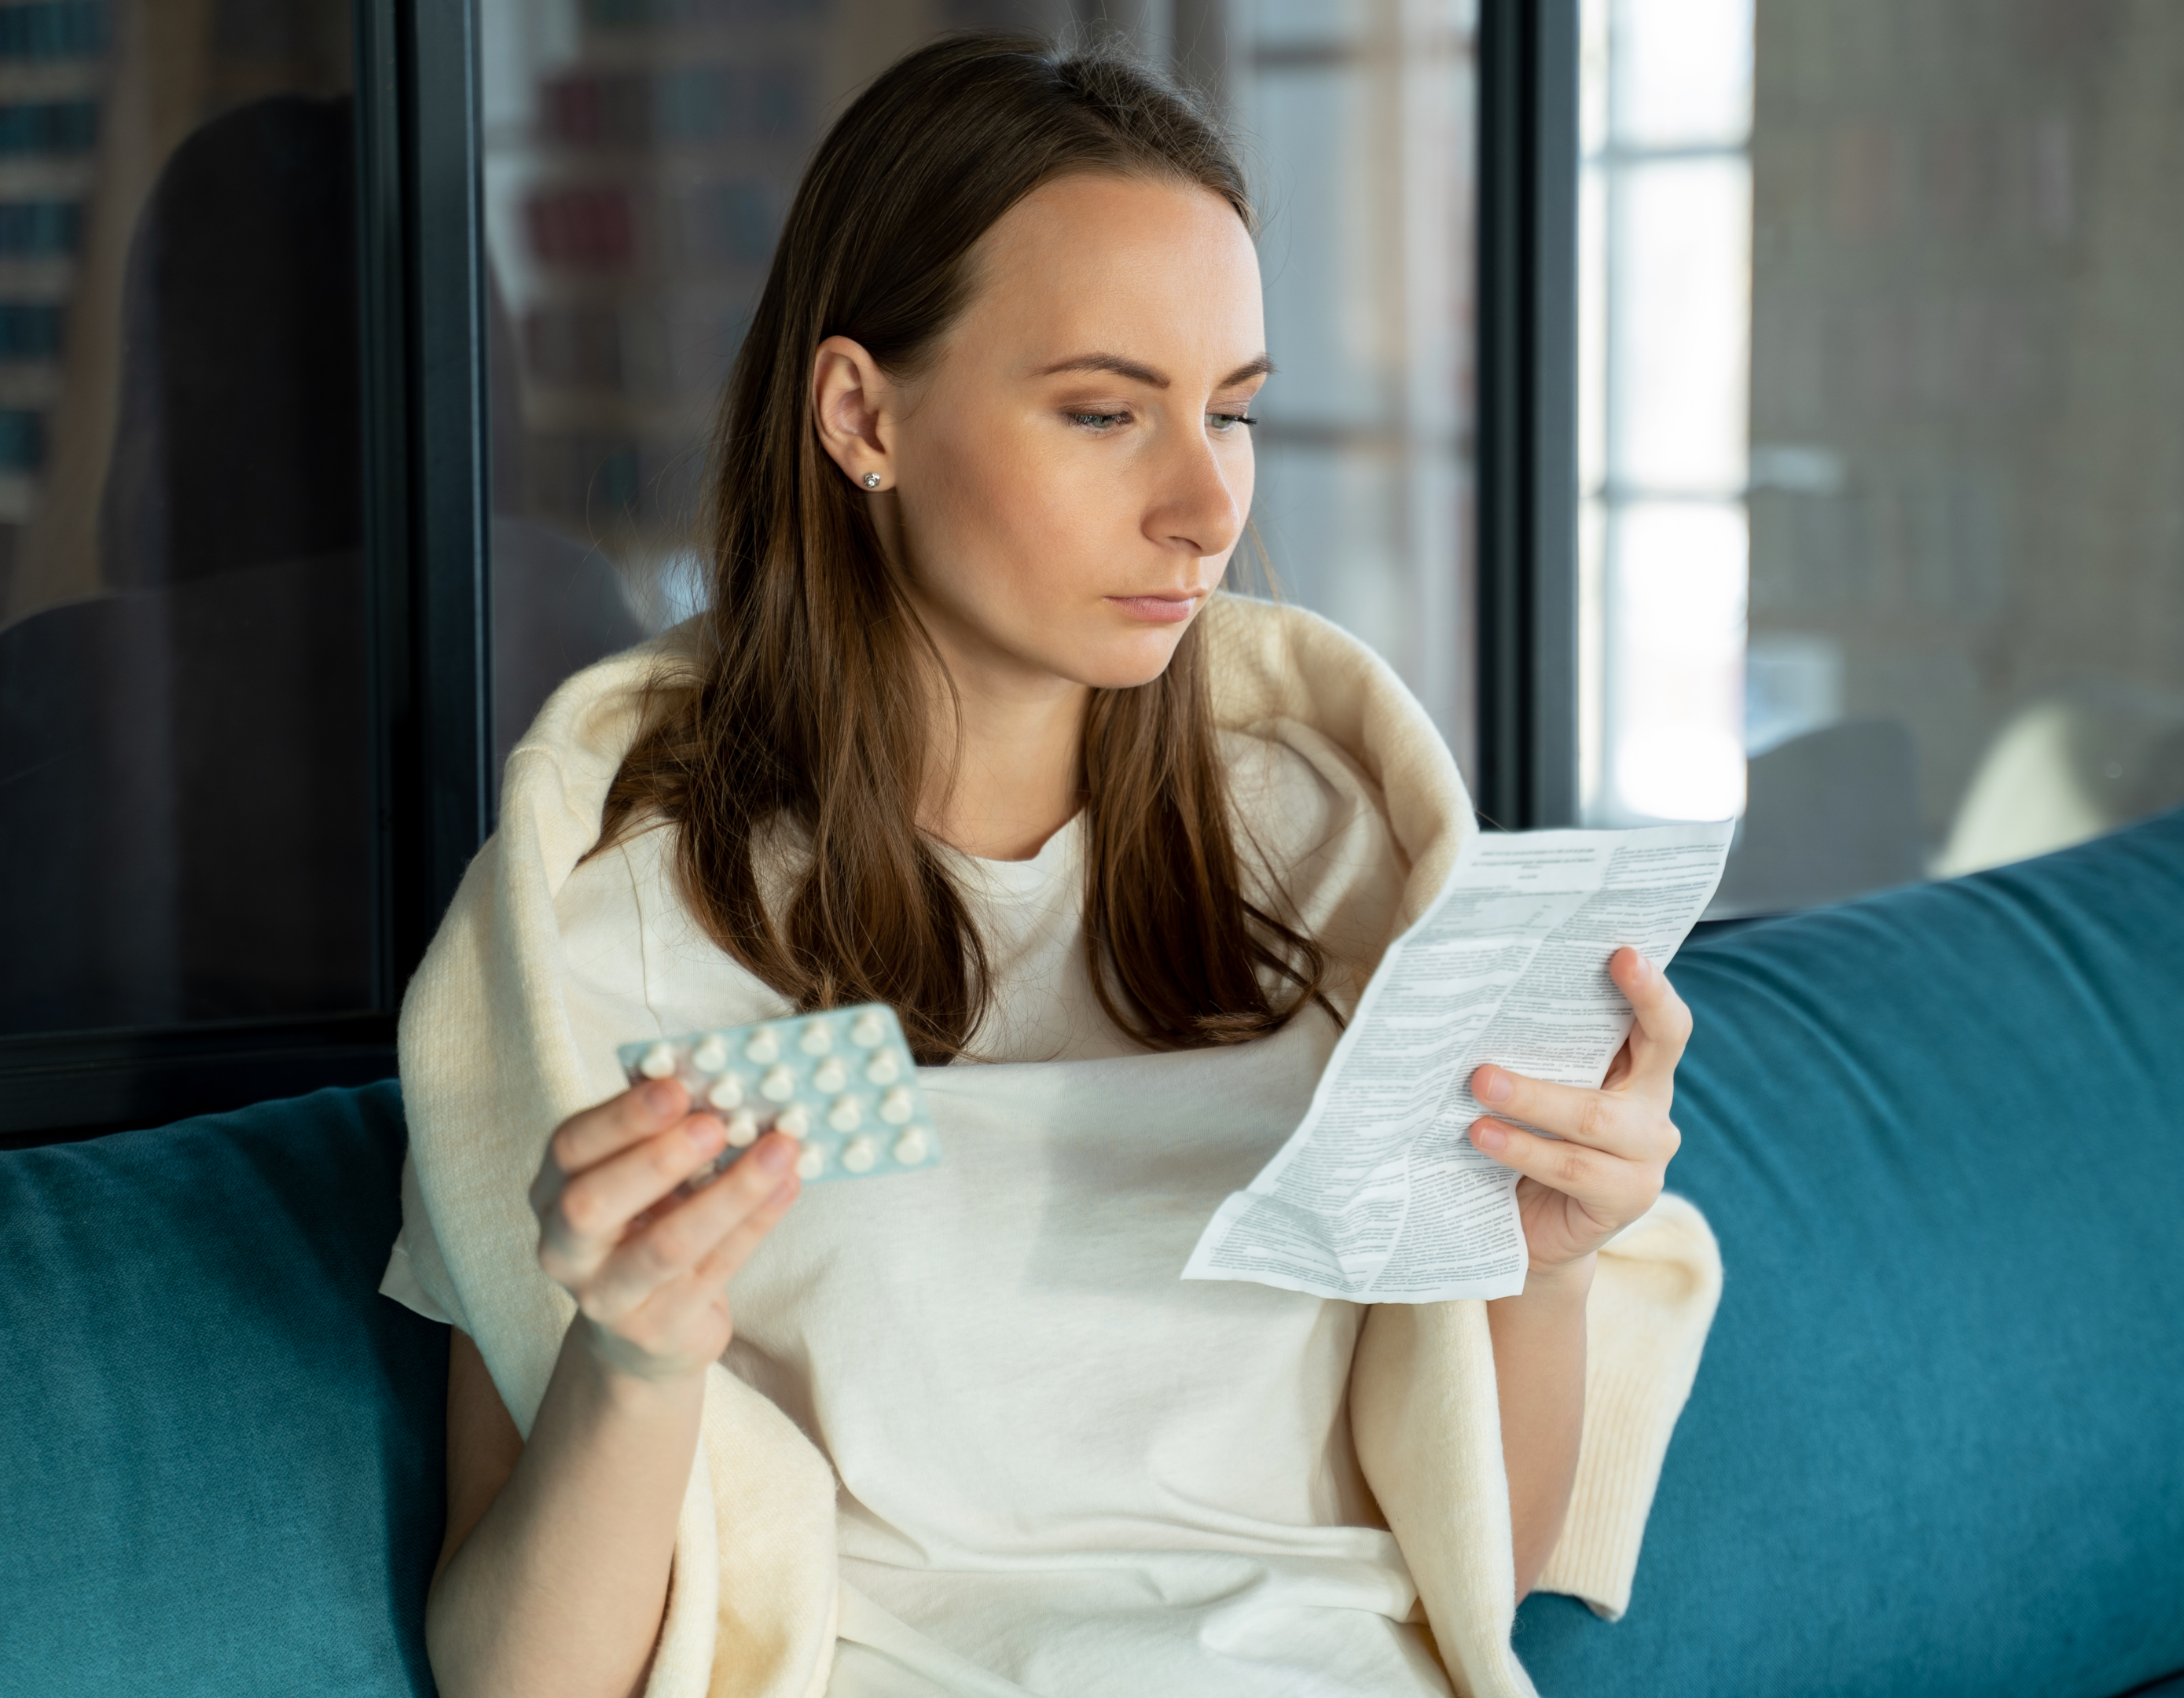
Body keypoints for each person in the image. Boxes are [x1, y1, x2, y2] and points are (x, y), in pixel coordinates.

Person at [382, 33, 1719, 1698]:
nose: (1202, 506)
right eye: (1104, 412)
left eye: (1230, 413)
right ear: (862, 415)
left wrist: (1540, 1256)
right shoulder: (612, 926)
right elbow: (517, 1681)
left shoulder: (1325, 861)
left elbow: (1478, 1574)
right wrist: (638, 1364)